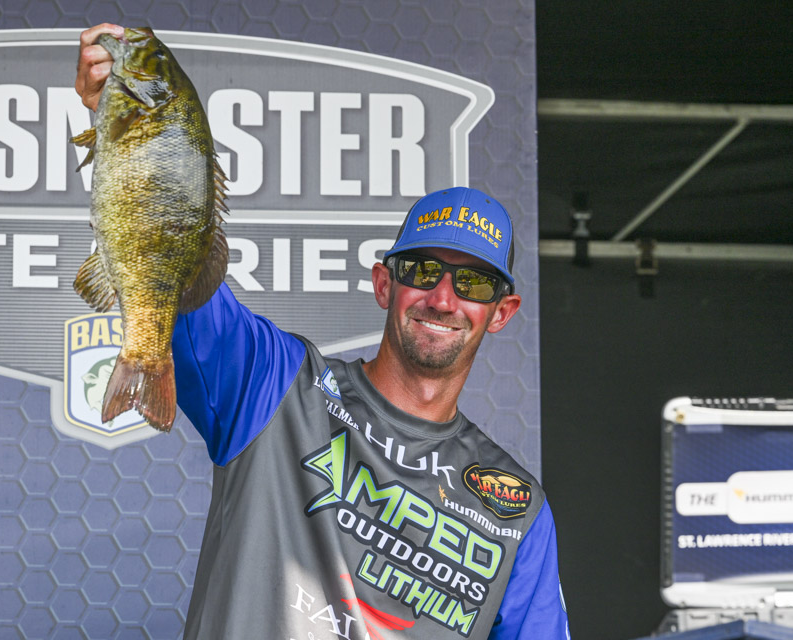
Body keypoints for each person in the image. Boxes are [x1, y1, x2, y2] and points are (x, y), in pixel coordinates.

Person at [76, 24, 570, 640]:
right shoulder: (276, 386)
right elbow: (182, 277)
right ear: (384, 284)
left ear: (502, 312)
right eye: (422, 270)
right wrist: (131, 123)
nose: (443, 298)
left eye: (472, 284)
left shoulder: (521, 513)